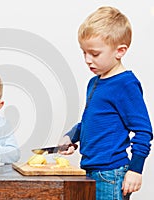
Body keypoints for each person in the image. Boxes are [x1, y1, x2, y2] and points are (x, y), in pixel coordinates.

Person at [59, 6, 153, 200]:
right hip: (89, 169)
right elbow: (89, 122)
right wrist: (71, 136)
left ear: (120, 51)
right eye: (83, 52)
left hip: (111, 175)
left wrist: (136, 169)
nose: (87, 60)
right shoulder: (94, 82)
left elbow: (144, 130)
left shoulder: (126, 84)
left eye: (94, 53)